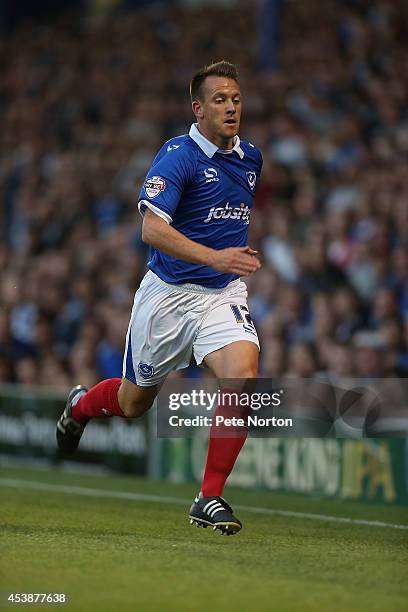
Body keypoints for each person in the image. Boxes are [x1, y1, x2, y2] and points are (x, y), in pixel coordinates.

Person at [56, 61, 263, 535]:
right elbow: (152, 228)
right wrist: (216, 256)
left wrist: (221, 265)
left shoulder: (251, 158)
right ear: (198, 108)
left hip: (220, 293)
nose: (231, 107)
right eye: (219, 100)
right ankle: (81, 406)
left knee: (244, 375)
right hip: (168, 296)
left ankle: (209, 497)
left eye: (235, 99)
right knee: (133, 404)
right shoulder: (178, 156)